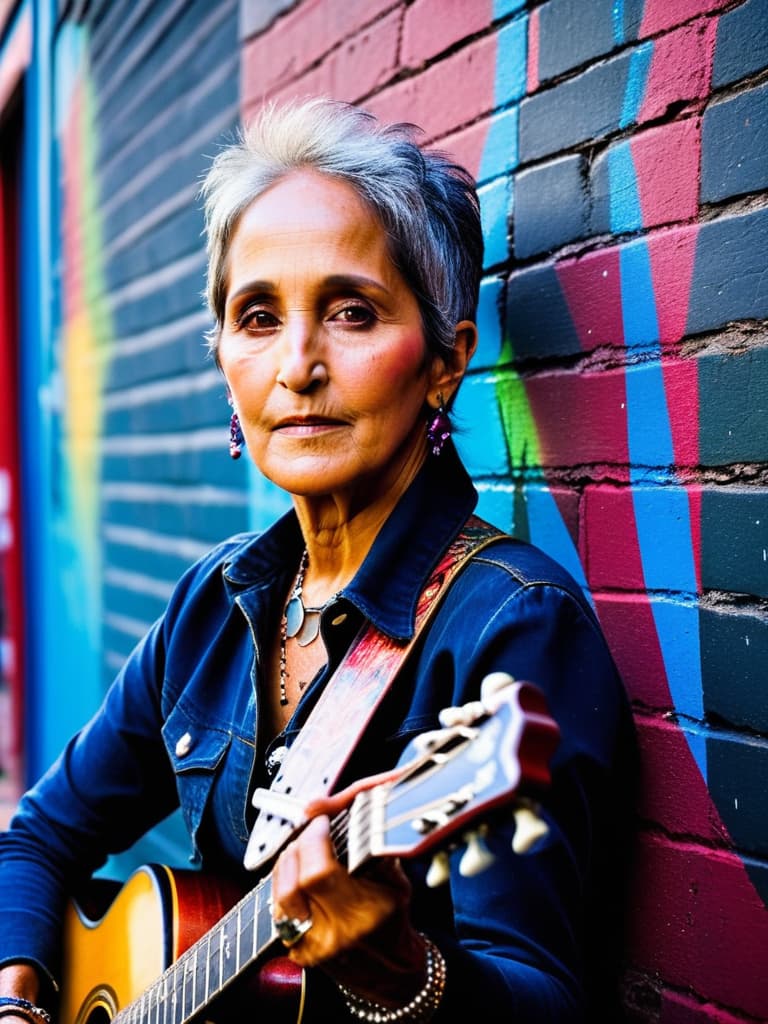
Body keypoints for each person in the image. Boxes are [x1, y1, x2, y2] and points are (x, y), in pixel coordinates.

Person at [0, 98, 635, 1023]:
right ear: (224, 363)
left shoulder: (510, 628)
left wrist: (403, 974)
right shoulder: (212, 605)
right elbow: (38, 837)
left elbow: (547, 1000)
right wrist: (18, 994)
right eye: (257, 317)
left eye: (350, 311)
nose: (298, 364)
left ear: (445, 361)